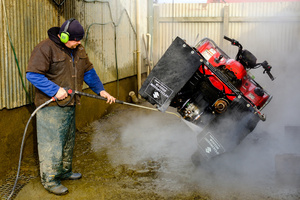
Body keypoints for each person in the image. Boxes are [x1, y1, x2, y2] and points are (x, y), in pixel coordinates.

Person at [26, 18, 116, 195]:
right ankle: (50, 180)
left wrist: (101, 91)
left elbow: (88, 71)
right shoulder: (45, 48)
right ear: (64, 36)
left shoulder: (78, 49)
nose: (79, 43)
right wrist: (54, 90)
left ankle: (65, 171)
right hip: (50, 106)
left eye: (80, 39)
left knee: (67, 141)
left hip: (70, 103)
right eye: (75, 39)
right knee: (52, 144)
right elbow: (32, 75)